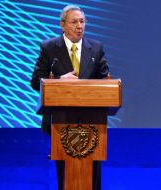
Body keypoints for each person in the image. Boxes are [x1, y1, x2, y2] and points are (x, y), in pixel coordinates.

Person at [31, 5, 110, 190]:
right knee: (66, 172)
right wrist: (59, 80)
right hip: (61, 121)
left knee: (94, 173)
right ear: (62, 25)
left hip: (93, 122)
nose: (79, 26)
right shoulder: (49, 48)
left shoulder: (96, 48)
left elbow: (106, 80)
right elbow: (36, 82)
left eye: (82, 22)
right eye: (74, 22)